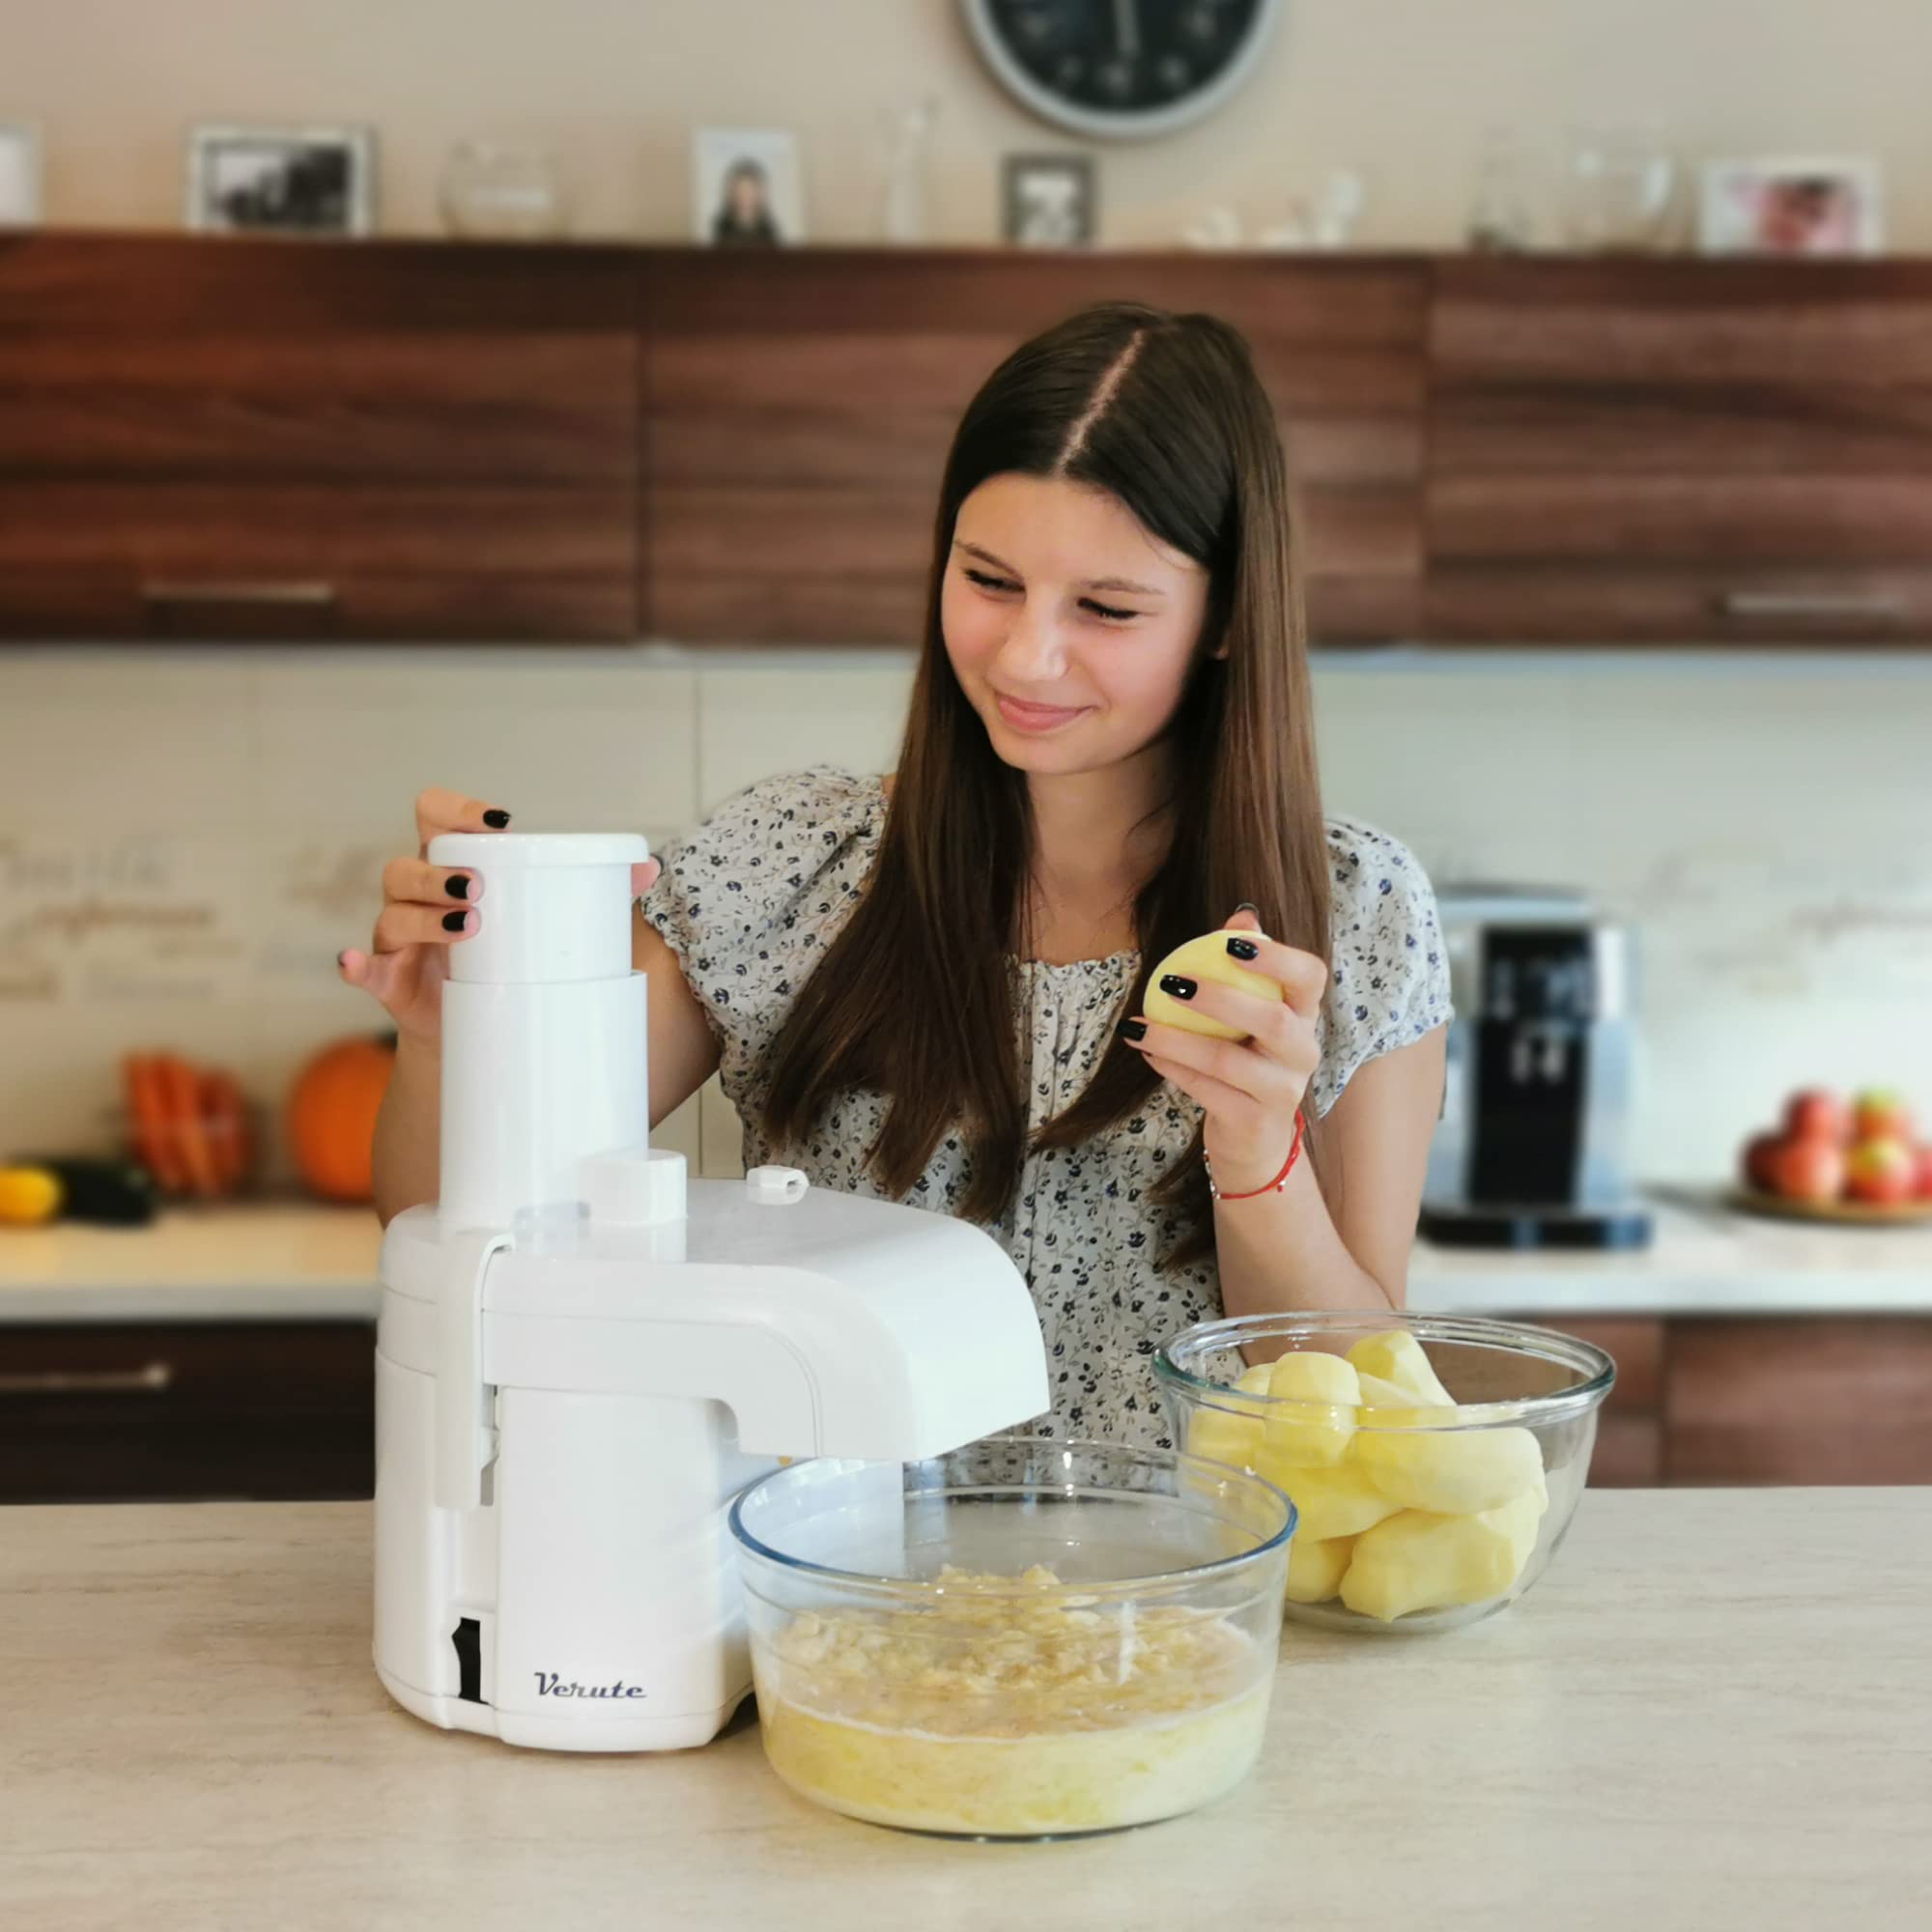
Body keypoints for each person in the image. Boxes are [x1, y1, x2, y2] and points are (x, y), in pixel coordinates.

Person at [342, 300, 1450, 1448]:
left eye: (1106, 607)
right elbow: (458, 1227)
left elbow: (1355, 1396)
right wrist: (444, 1043)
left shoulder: (1353, 912)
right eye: (988, 579)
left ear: (1224, 617)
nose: (1026, 654)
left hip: (1169, 1599)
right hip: (827, 1592)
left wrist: (1256, 1155)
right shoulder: (787, 866)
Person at [710, 157, 781, 245]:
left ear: (757, 194)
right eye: (740, 190)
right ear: (732, 193)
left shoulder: (768, 228)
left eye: (749, 191)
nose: (744, 196)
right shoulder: (722, 226)